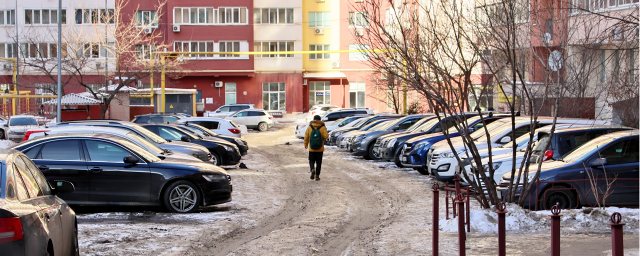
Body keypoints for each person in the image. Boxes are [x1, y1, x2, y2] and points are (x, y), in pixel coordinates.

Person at [304, 115, 329, 181]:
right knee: (319, 162)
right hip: (320, 148)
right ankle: (317, 176)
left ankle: (312, 169)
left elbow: (306, 137)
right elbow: (326, 136)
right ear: (320, 120)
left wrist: (305, 144)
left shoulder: (310, 127)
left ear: (314, 119)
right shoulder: (322, 127)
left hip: (312, 148)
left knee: (311, 160)